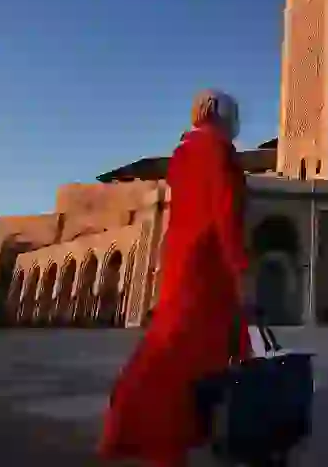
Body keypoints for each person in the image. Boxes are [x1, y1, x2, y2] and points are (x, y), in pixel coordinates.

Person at [99, 89, 252, 467]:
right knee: (184, 357)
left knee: (176, 350)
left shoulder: (182, 155)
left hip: (182, 267)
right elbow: (225, 215)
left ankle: (158, 433)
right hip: (209, 272)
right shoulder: (217, 151)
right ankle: (162, 438)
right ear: (219, 114)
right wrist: (241, 271)